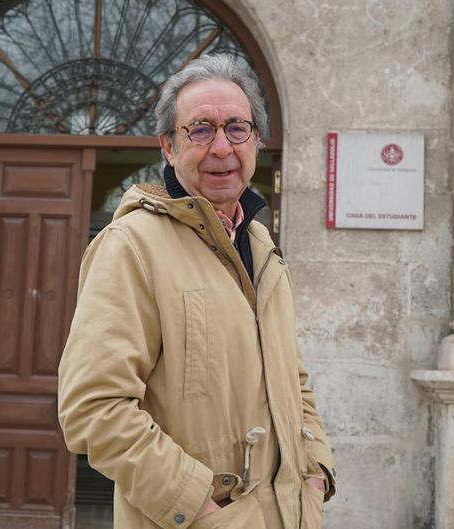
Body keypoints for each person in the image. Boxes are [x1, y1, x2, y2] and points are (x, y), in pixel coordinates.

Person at [57, 53, 336, 529]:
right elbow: (95, 409)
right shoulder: (132, 246)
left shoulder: (262, 246)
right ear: (169, 146)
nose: (222, 147)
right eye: (201, 130)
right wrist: (205, 510)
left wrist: (315, 471)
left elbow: (295, 379)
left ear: (257, 141)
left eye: (236, 128)